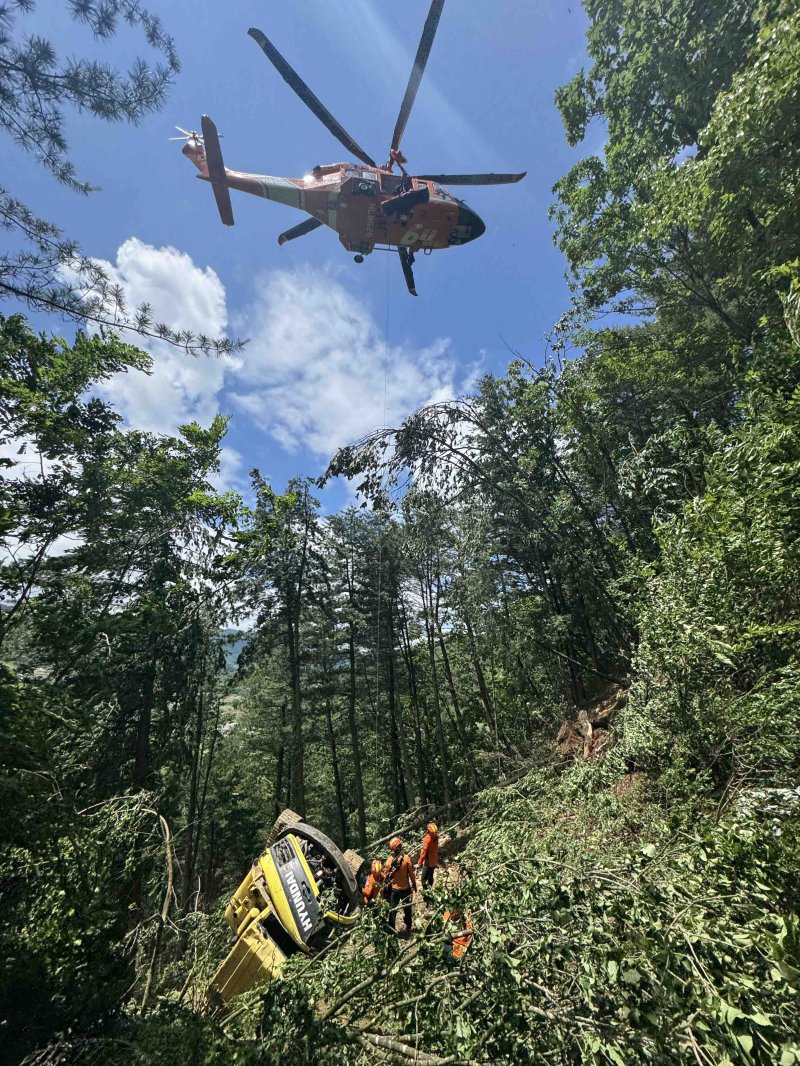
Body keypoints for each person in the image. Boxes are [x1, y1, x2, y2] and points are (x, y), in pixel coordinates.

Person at [384, 836, 416, 935]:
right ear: (398, 847)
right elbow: (411, 873)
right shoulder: (406, 859)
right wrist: (414, 884)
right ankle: (408, 927)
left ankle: (391, 930)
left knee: (393, 910)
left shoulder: (389, 861)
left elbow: (385, 876)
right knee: (407, 910)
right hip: (405, 889)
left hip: (395, 890)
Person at [416, 822, 440, 890]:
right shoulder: (436, 837)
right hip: (433, 860)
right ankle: (430, 890)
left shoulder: (427, 838)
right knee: (430, 876)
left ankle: (427, 891)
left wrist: (419, 863)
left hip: (428, 861)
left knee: (423, 879)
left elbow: (423, 852)